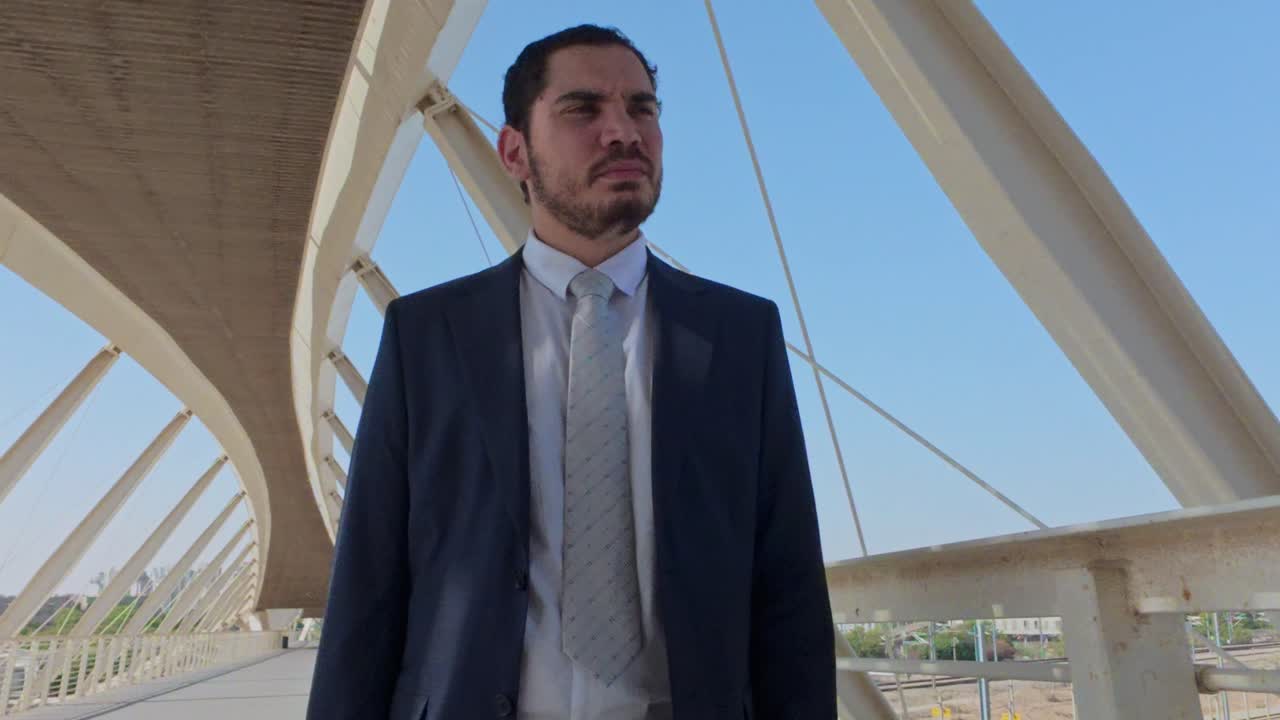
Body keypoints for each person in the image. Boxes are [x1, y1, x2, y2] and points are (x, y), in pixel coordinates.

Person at [306, 24, 835, 720]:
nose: (624, 132)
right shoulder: (428, 336)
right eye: (583, 109)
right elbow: (368, 589)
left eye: (643, 109)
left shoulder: (739, 336)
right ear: (514, 152)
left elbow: (788, 587)